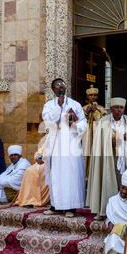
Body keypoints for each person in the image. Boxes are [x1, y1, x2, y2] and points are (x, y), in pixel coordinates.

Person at [86, 97, 127, 221]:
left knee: (124, 184)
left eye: (121, 107)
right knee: (107, 181)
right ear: (111, 108)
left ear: (124, 109)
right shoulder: (103, 122)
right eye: (116, 107)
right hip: (108, 157)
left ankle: (125, 211)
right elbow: (99, 141)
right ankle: (103, 210)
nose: (118, 110)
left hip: (126, 158)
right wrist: (110, 141)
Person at [42, 78, 87, 218]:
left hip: (71, 144)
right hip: (55, 144)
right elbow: (47, 121)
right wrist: (59, 107)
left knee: (71, 175)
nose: (61, 88)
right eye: (57, 86)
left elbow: (83, 123)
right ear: (53, 89)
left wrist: (74, 126)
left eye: (63, 85)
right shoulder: (49, 105)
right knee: (56, 174)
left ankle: (71, 207)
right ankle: (55, 205)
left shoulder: (75, 104)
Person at [15, 140, 50, 208]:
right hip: (42, 163)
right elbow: (38, 153)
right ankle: (27, 199)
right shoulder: (47, 142)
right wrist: (38, 158)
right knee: (29, 170)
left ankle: (36, 199)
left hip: (52, 165)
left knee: (37, 172)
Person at [82, 85, 107, 178]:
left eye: (95, 95)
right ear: (87, 97)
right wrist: (86, 113)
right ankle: (85, 176)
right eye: (90, 95)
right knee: (86, 153)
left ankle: (95, 176)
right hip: (87, 135)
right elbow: (79, 122)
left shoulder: (101, 109)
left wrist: (96, 111)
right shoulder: (83, 108)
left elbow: (104, 121)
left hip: (97, 134)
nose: (93, 97)